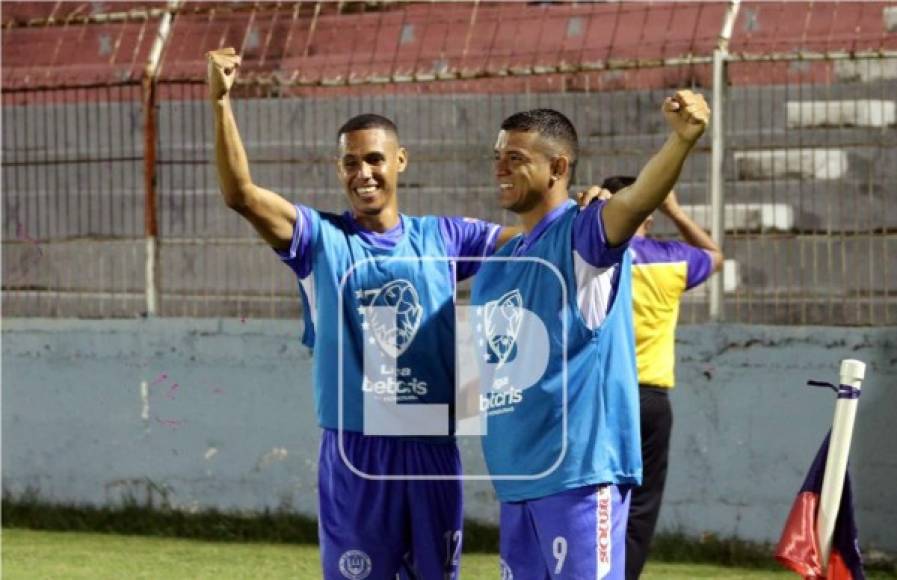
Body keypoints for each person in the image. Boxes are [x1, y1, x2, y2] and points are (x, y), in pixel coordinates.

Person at [207, 47, 517, 580]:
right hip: (356, 445)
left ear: (400, 160)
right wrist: (219, 100)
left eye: (374, 159)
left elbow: (531, 241)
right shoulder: (320, 239)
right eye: (351, 162)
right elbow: (241, 195)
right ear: (339, 169)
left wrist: (584, 210)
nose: (363, 173)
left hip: (430, 441)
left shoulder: (444, 237)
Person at [469, 91, 709, 579]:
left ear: (558, 167)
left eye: (515, 158)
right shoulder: (499, 265)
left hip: (578, 478)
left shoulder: (582, 236)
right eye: (498, 157)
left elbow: (638, 199)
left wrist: (681, 140)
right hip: (517, 481)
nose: (500, 169)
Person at [597, 177, 723, 580]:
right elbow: (715, 255)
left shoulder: (594, 256)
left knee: (596, 495)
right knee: (641, 504)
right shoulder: (671, 261)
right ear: (649, 210)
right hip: (651, 399)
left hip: (600, 397)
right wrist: (677, 211)